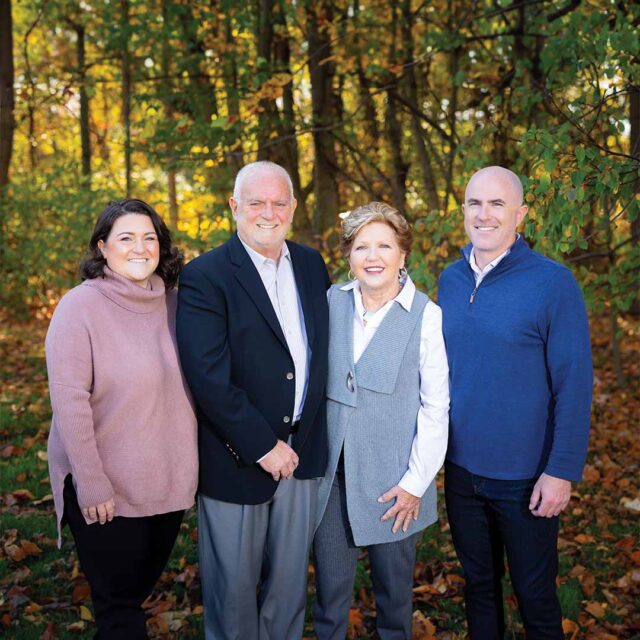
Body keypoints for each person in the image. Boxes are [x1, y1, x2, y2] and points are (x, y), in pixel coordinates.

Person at [176, 160, 330, 640]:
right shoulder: (206, 275)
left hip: (302, 453)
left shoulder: (310, 264)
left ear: (293, 208)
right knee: (234, 598)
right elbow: (208, 376)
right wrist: (263, 445)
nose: (269, 212)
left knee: (287, 593)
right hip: (237, 457)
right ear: (234, 207)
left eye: (279, 202)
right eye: (257, 202)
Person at [438, 166, 593, 639]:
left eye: (497, 204)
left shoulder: (552, 283)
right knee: (479, 587)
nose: (484, 215)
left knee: (534, 594)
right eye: (474, 204)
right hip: (462, 473)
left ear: (520, 214)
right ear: (463, 210)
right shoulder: (449, 279)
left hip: (526, 478)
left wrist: (561, 470)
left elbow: (575, 383)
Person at [45, 199, 198, 639]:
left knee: (131, 595)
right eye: (126, 238)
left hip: (166, 483)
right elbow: (70, 401)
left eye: (149, 237)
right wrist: (91, 480)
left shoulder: (177, 304)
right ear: (102, 247)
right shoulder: (79, 308)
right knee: (119, 607)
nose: (140, 247)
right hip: (105, 488)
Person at [312, 202, 450, 640]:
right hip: (333, 481)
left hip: (396, 486)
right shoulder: (330, 302)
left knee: (394, 600)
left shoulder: (426, 315)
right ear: (348, 255)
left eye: (384, 246)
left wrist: (415, 483)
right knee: (330, 599)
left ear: (402, 254)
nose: (373, 257)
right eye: (361, 246)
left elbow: (435, 407)